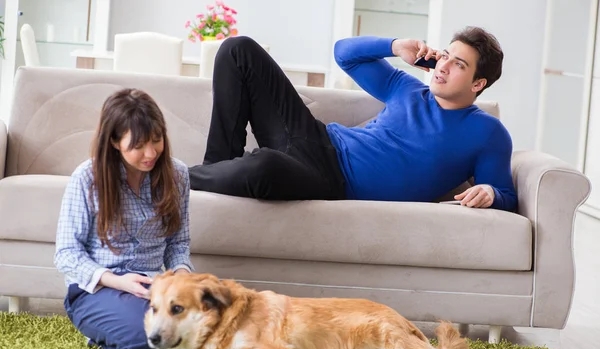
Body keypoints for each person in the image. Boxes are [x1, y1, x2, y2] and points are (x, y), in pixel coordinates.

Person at [188, 27, 517, 211]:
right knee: (238, 48)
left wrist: (489, 192)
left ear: (478, 84)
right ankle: (216, 170)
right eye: (445, 55)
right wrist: (395, 46)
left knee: (263, 169)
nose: (443, 65)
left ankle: (178, 178)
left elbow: (504, 193)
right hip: (313, 138)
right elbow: (344, 53)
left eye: (459, 64)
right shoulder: (407, 88)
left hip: (329, 180)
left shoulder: (487, 133)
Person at [54, 88, 193, 349]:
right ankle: (102, 332)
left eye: (157, 140)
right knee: (150, 341)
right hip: (97, 289)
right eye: (139, 145)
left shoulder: (177, 175)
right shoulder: (87, 178)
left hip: (154, 289)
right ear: (115, 141)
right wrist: (117, 281)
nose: (151, 153)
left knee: (213, 326)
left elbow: (178, 243)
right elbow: (66, 253)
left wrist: (182, 276)